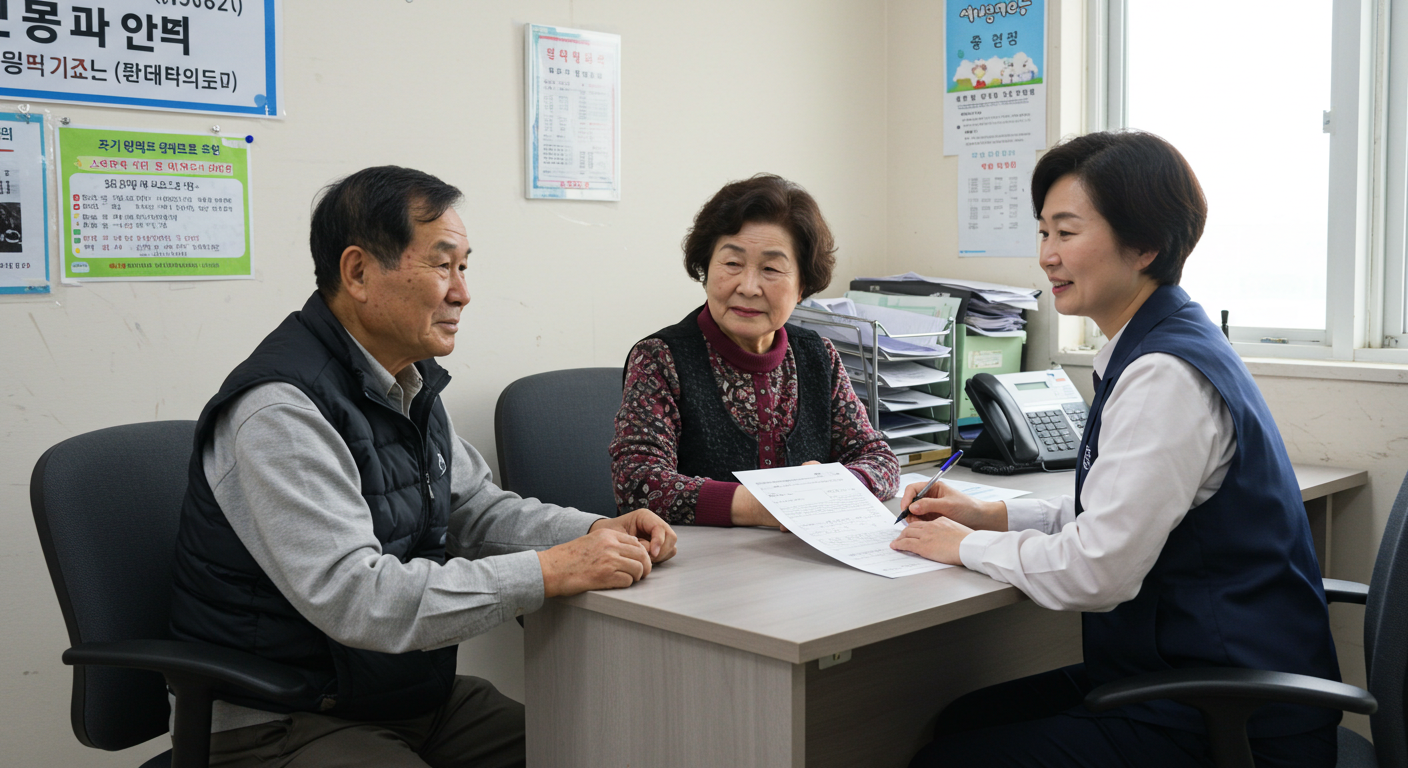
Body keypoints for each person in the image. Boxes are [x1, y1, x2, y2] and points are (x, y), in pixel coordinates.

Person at [168, 166, 678, 768]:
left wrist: (593, 531)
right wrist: (549, 570)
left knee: (603, 749)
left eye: (464, 267)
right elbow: (356, 598)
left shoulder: (405, 381)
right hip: (285, 719)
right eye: (442, 266)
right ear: (358, 272)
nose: (462, 293)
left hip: (397, 695)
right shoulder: (281, 411)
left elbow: (476, 510)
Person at [892, 132, 1341, 767]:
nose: (1046, 256)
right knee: (963, 720)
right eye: (1042, 232)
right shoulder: (1161, 342)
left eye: (1066, 232)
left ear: (1145, 246)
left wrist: (963, 546)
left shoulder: (1163, 375)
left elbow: (1098, 570)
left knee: (948, 759)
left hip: (1231, 721)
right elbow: (1122, 514)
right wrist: (992, 515)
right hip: (1192, 677)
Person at [610, 174, 900, 526]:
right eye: (732, 263)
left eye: (771, 268)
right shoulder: (660, 357)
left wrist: (836, 485)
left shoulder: (819, 356)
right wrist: (767, 505)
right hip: (694, 557)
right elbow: (637, 482)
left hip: (804, 554)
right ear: (705, 269)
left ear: (802, 286)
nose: (748, 287)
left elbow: (879, 459)